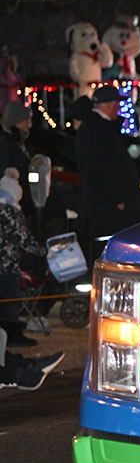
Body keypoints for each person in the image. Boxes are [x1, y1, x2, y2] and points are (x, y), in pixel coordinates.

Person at [75, 85, 140, 257]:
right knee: (114, 250)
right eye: (117, 104)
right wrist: (116, 200)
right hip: (111, 208)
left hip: (112, 205)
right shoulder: (96, 130)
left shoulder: (98, 128)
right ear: (110, 105)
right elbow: (97, 170)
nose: (119, 109)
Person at [0, 173, 43, 348]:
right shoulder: (10, 212)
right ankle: (13, 334)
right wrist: (43, 251)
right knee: (12, 298)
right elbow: (23, 239)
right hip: (6, 264)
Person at [0, 99, 32, 182]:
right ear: (17, 121)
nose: (29, 123)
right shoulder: (5, 143)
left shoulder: (16, 141)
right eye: (27, 119)